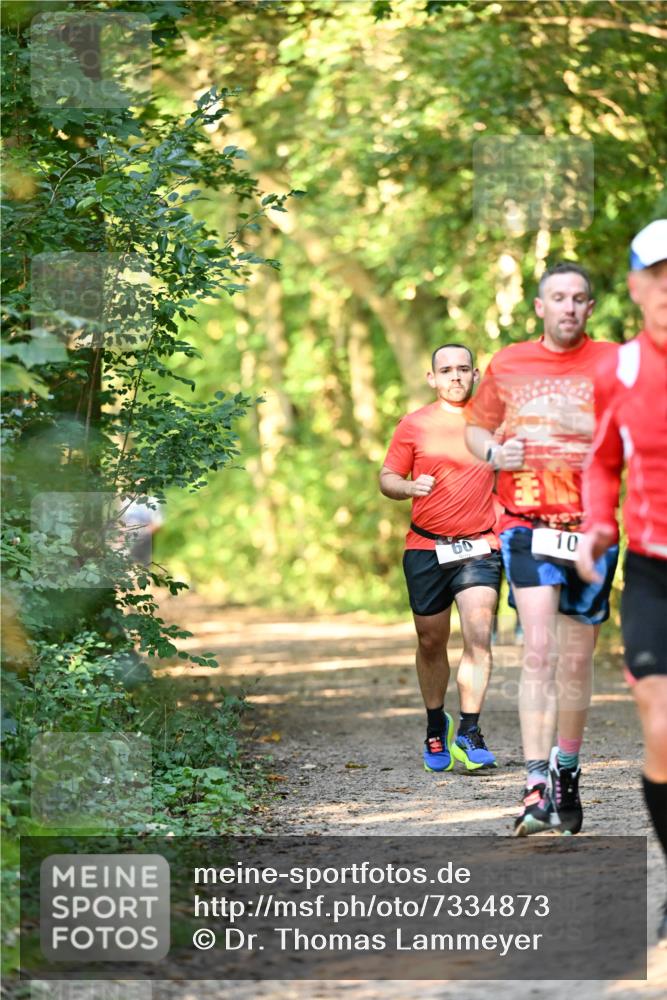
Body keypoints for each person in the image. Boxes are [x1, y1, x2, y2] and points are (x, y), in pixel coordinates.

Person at [464, 262, 618, 836]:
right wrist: (491, 453)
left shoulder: (613, 364)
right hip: (525, 524)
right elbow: (477, 429)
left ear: (590, 308)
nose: (569, 308)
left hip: (593, 527)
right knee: (539, 650)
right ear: (540, 307)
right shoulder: (508, 363)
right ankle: (534, 785)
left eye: (579, 298)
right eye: (559, 298)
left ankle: (567, 772)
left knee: (576, 662)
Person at [576, 220, 667, 945]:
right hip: (652, 572)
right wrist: (596, 524)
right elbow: (601, 461)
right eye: (656, 274)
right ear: (635, 287)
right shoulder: (620, 371)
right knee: (661, 729)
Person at [380, 343, 502, 773]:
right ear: (431, 378)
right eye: (446, 370)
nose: (455, 376)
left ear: (475, 374)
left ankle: (469, 730)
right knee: (431, 641)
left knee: (478, 633)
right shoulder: (413, 425)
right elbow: (387, 477)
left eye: (463, 369)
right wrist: (407, 488)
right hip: (426, 546)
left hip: (480, 547)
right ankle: (437, 725)